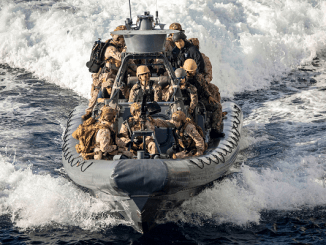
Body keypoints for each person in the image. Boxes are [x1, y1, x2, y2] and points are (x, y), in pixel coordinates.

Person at [82, 25, 128, 120]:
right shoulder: (111, 48)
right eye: (123, 38)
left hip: (116, 72)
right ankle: (89, 112)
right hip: (107, 74)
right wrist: (126, 49)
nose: (124, 41)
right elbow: (121, 57)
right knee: (100, 91)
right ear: (119, 38)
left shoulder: (118, 45)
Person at [183, 59, 224, 137]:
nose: (192, 72)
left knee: (217, 106)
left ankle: (214, 129)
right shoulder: (181, 79)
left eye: (193, 71)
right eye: (190, 71)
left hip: (199, 101)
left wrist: (209, 96)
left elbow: (204, 88)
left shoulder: (198, 77)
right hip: (186, 102)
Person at [188, 37, 220, 102]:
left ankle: (216, 108)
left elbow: (209, 75)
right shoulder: (184, 56)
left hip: (201, 82)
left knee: (214, 89)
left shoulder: (204, 59)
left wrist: (204, 82)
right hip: (187, 81)